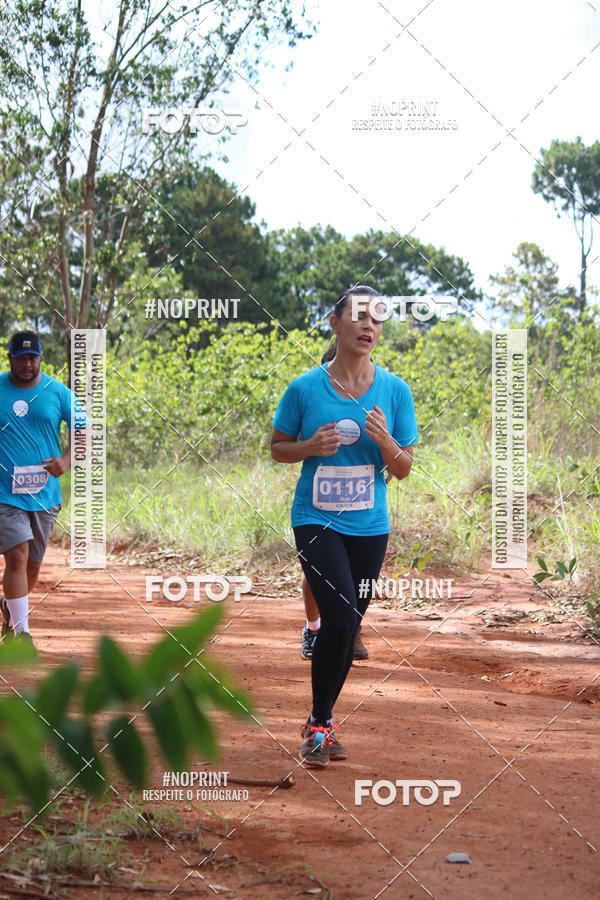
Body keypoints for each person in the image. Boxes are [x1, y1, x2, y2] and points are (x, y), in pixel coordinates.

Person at [271, 285, 418, 766]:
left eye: (377, 318)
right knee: (337, 618)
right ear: (335, 324)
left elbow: (403, 468)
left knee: (349, 622)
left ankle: (321, 721)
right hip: (315, 519)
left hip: (370, 525)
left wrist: (385, 441)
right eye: (358, 316)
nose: (368, 325)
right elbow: (278, 449)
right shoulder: (304, 388)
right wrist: (309, 447)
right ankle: (318, 725)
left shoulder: (395, 392)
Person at [0, 331, 79, 645]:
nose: (28, 364)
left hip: (45, 495)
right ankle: (22, 634)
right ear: (11, 359)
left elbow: (85, 431)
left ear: (41, 359)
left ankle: (11, 607)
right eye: (22, 358)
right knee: (16, 556)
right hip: (5, 494)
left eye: (33, 358)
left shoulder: (57, 392)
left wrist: (67, 460)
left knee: (32, 567)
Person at [300, 345, 369, 663]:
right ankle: (314, 630)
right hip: (319, 505)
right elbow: (285, 445)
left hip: (362, 506)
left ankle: (351, 628)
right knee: (317, 572)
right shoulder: (313, 391)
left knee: (358, 573)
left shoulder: (374, 389)